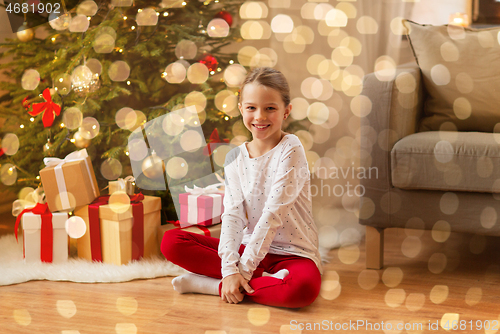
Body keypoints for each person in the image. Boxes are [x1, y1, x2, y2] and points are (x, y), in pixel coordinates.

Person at [161, 67, 323, 308]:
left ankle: (210, 286)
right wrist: (229, 268)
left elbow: (272, 215)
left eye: (270, 108)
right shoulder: (235, 158)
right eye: (251, 108)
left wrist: (243, 272)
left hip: (292, 254)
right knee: (171, 241)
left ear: (286, 111)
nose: (260, 116)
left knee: (302, 291)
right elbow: (233, 215)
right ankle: (256, 283)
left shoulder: (291, 148)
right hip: (246, 248)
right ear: (241, 110)